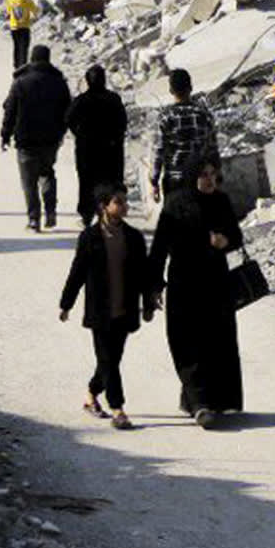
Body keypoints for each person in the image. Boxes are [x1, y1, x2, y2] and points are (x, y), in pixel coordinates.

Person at [149, 155, 245, 428]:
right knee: (186, 341)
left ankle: (211, 400)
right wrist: (154, 284)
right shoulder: (176, 203)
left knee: (217, 342)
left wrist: (225, 241)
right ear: (192, 176)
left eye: (213, 174)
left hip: (216, 282)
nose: (209, 180)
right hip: (184, 283)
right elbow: (160, 246)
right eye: (203, 174)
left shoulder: (222, 202)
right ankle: (200, 402)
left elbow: (237, 237)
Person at [58, 183, 157, 429]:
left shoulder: (133, 237)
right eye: (119, 202)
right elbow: (77, 272)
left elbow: (144, 274)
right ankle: (118, 409)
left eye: (125, 201)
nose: (125, 206)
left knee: (110, 360)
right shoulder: (90, 237)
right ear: (104, 206)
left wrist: (148, 304)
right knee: (109, 361)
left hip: (124, 309)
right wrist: (66, 303)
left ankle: (91, 395)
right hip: (100, 311)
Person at [0, 42, 72, 231]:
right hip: (50, 139)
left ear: (31, 59)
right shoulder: (59, 82)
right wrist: (61, 132)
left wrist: (5, 135)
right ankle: (51, 212)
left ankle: (34, 218)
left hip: (26, 139)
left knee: (28, 181)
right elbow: (68, 111)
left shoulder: (20, 82)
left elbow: (10, 110)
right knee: (47, 172)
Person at [65, 65, 127, 227]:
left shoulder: (81, 101)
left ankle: (87, 215)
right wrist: (115, 138)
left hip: (87, 151)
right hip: (111, 151)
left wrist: (80, 133)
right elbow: (122, 122)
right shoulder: (114, 99)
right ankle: (110, 213)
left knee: (86, 183)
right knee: (111, 183)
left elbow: (69, 119)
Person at [150, 68, 219, 202]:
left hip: (175, 180)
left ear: (171, 91)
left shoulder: (165, 117)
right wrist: (216, 175)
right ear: (191, 88)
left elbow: (159, 152)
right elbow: (213, 148)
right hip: (200, 178)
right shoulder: (204, 115)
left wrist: (154, 182)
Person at [2, 0, 39, 69]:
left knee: (16, 47)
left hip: (14, 27)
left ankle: (16, 65)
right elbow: (35, 11)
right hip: (24, 27)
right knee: (24, 48)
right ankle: (23, 65)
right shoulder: (27, 0)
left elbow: (8, 14)